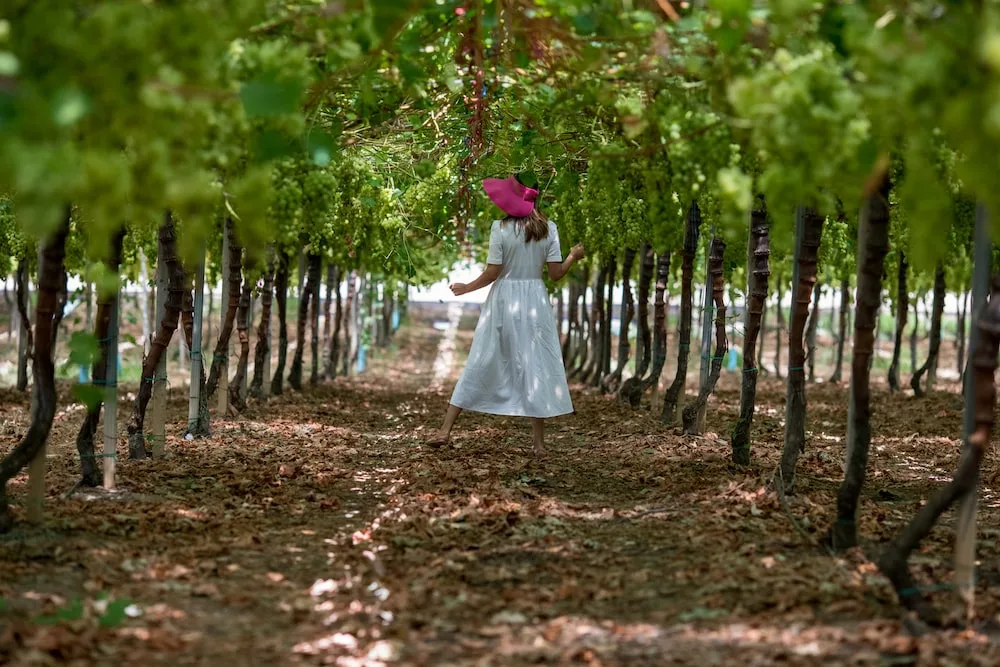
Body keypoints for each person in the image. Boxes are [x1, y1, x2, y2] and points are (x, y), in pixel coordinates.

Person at [428, 174, 585, 455]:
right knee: (534, 363)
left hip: (504, 300)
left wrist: (467, 288)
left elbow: (493, 272)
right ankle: (538, 444)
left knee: (483, 357)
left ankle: (445, 430)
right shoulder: (549, 229)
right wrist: (573, 255)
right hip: (535, 300)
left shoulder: (500, 229)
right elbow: (556, 274)